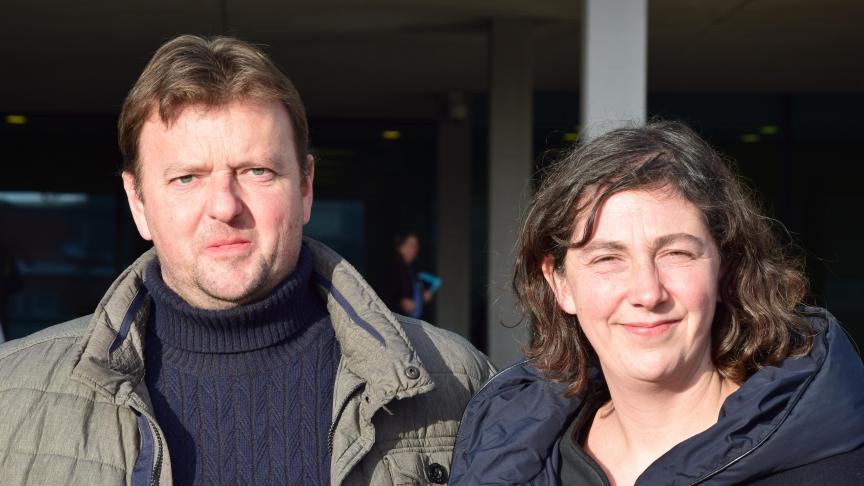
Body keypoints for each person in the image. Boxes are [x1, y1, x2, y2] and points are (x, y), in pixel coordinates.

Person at [0, 35, 494, 486]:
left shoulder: (456, 382)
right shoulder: (13, 393)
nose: (224, 205)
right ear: (138, 203)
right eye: (187, 178)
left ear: (304, 187)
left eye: (257, 171)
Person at [450, 121, 864, 485]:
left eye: (677, 254)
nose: (648, 293)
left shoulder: (835, 468)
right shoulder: (503, 456)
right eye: (608, 258)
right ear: (560, 283)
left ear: (724, 270)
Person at [380, 231, 435, 318]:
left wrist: (422, 296)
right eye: (411, 245)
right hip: (397, 319)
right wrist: (400, 303)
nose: (415, 249)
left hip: (413, 320)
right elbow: (384, 294)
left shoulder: (413, 269)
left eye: (417, 246)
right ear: (400, 247)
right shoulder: (392, 269)